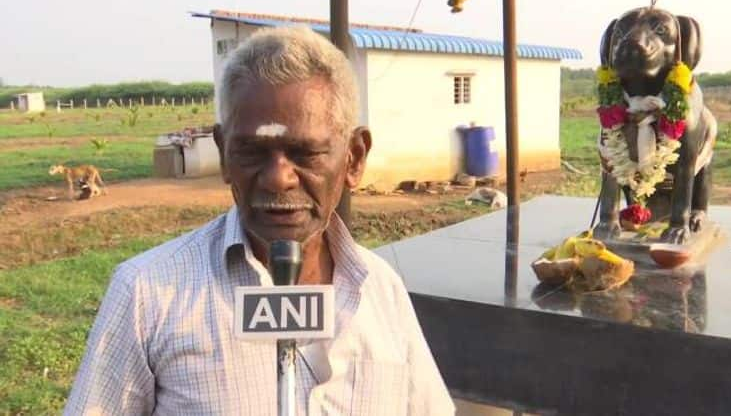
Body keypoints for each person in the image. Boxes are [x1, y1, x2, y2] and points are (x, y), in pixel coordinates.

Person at [65, 25, 454, 415]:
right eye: (251, 152)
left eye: (306, 153)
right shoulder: (147, 293)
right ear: (223, 155)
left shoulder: (381, 288)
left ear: (354, 157)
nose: (278, 178)